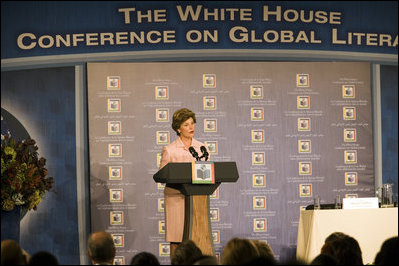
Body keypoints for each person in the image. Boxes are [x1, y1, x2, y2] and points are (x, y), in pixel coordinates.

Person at [159, 108, 210, 257]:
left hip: (197, 199)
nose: (191, 127)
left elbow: (208, 172)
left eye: (192, 123)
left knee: (198, 237)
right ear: (178, 128)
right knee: (176, 239)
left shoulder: (202, 148)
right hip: (176, 199)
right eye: (186, 124)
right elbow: (162, 176)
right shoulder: (169, 150)